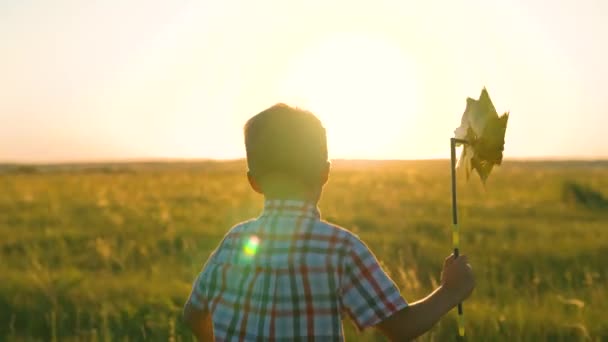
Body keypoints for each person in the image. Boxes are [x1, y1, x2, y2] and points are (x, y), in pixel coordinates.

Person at [183, 103, 475, 341]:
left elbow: (193, 314)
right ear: (325, 173)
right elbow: (401, 326)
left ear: (253, 181)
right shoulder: (339, 249)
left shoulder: (235, 242)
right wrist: (451, 292)